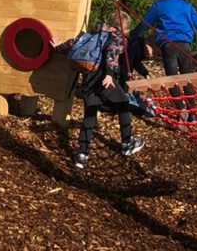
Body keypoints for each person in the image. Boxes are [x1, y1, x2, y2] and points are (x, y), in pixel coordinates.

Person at [55, 22, 146, 170]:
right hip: (103, 80)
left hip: (88, 80)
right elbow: (111, 54)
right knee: (124, 103)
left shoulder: (94, 33)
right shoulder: (117, 36)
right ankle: (127, 143)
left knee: (90, 115)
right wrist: (109, 74)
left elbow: (74, 44)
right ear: (124, 28)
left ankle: (82, 154)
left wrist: (58, 47)